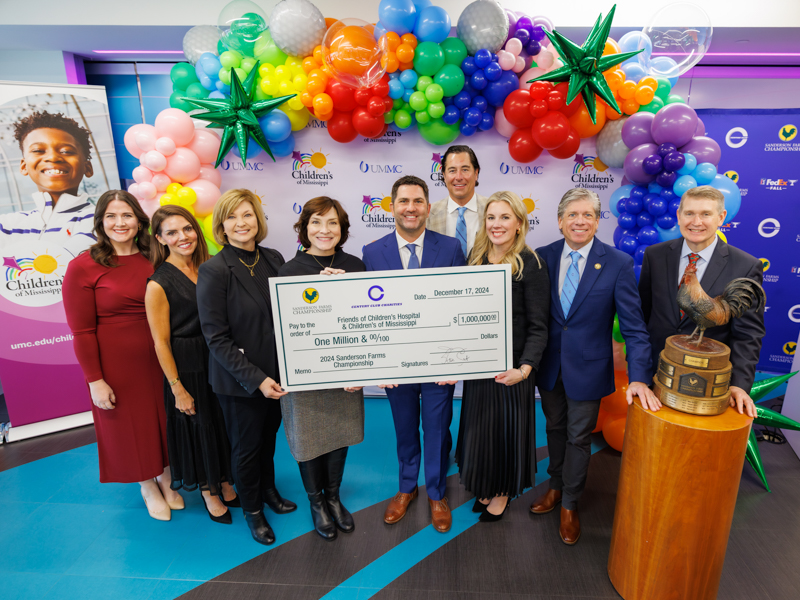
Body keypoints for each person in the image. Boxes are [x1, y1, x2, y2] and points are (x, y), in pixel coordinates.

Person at [532, 188, 659, 545]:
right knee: (555, 429)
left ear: (597, 221)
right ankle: (555, 487)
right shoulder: (543, 257)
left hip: (589, 369)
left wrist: (639, 378)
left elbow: (633, 326)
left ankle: (570, 504)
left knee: (578, 436)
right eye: (573, 214)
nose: (580, 221)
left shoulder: (617, 262)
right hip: (548, 367)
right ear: (560, 221)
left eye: (588, 215)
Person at [62, 190, 182, 521]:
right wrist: (95, 381)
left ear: (139, 220)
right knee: (130, 426)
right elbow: (82, 332)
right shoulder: (83, 267)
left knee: (163, 418)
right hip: (117, 365)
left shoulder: (156, 257)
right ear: (100, 222)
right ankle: (146, 484)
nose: (120, 223)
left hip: (161, 355)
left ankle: (168, 478)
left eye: (127, 215)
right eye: (111, 216)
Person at [362, 175, 466, 533]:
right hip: (396, 364)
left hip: (439, 362)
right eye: (403, 201)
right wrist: (378, 362)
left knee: (436, 428)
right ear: (392, 207)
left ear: (428, 206)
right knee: (405, 428)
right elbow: (366, 311)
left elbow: (459, 304)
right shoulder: (373, 253)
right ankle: (407, 487)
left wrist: (456, 359)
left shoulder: (451, 248)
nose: (410, 208)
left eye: (418, 201)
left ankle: (436, 492)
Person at [196, 189, 296, 546]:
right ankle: (253, 511)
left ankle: (268, 490)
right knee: (246, 449)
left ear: (258, 219)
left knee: (267, 439)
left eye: (248, 215)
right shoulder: (214, 270)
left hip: (277, 376)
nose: (241, 223)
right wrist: (258, 379)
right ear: (221, 225)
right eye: (232, 217)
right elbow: (216, 338)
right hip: (240, 382)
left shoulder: (273, 257)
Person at [456, 191, 549, 522]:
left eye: (505, 217)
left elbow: (539, 327)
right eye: (491, 217)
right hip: (480, 367)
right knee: (481, 431)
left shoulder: (531, 264)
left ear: (520, 224)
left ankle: (502, 492)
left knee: (506, 433)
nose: (497, 224)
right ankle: (486, 482)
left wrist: (523, 370)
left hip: (513, 370)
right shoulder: (476, 258)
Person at [277, 196, 366, 540]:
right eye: (316, 222)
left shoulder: (355, 265)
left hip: (346, 375)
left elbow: (368, 321)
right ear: (304, 228)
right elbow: (283, 326)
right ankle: (317, 502)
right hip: (305, 377)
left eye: (332, 223)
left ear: (342, 229)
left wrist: (360, 370)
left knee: (339, 435)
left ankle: (333, 496)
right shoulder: (289, 270)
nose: (324, 230)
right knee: (309, 439)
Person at [145, 205, 239, 525]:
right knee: (199, 428)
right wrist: (177, 388)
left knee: (221, 424)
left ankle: (224, 480)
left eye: (186, 229)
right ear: (160, 239)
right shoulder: (158, 284)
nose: (182, 237)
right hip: (187, 365)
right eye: (172, 232)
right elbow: (161, 342)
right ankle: (208, 491)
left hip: (217, 359)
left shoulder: (209, 267)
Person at [639, 185, 764, 418]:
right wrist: (640, 371)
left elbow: (748, 335)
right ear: (679, 216)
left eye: (706, 214)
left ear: (721, 217)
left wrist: (738, 384)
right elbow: (643, 316)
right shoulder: (655, 255)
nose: (696, 221)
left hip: (705, 382)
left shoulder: (745, 265)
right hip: (655, 374)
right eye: (689, 213)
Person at [1, 111, 97, 255]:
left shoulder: (102, 220)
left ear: (87, 168)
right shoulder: (7, 225)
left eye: (66, 151)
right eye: (38, 150)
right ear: (23, 166)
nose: (53, 157)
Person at [427, 145, 488, 261]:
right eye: (452, 170)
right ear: (444, 176)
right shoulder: (428, 214)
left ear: (476, 173)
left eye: (465, 169)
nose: (459, 177)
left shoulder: (492, 209)